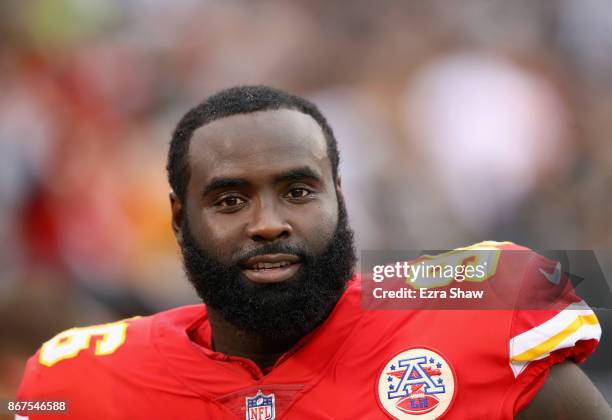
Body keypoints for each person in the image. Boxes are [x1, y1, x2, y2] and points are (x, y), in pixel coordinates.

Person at [16, 86, 611, 419]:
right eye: (229, 200)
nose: (269, 224)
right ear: (179, 219)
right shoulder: (76, 378)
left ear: (339, 198)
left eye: (298, 191)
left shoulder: (474, 297)